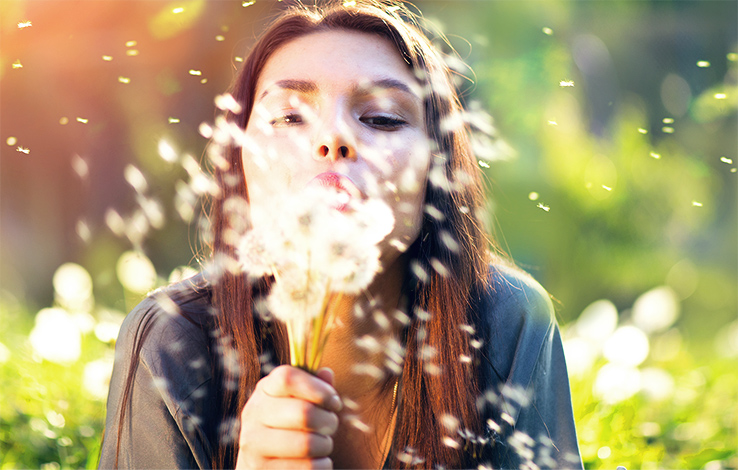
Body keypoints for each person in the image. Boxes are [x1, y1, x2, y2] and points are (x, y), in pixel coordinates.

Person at [99, 1, 583, 469]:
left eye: (382, 118)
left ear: (436, 174)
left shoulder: (504, 325)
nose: (333, 137)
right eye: (290, 116)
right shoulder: (170, 345)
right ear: (239, 166)